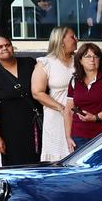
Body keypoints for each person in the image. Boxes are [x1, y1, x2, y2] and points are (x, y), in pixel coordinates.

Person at [0, 37, 40, 166]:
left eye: (7, 45)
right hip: (10, 127)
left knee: (40, 162)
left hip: (36, 122)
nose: (4, 48)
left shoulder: (29, 63)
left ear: (12, 47)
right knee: (15, 165)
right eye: (0, 47)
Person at [64, 43, 102, 151]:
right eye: (87, 56)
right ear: (80, 60)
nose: (92, 59)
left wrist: (95, 117)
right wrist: (68, 137)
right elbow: (69, 111)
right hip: (78, 136)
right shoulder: (75, 80)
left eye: (95, 56)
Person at [30, 26, 78, 162]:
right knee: (58, 158)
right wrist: (63, 109)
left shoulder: (79, 60)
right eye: (72, 37)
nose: (76, 39)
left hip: (79, 116)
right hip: (56, 117)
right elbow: (37, 93)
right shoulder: (46, 63)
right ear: (61, 41)